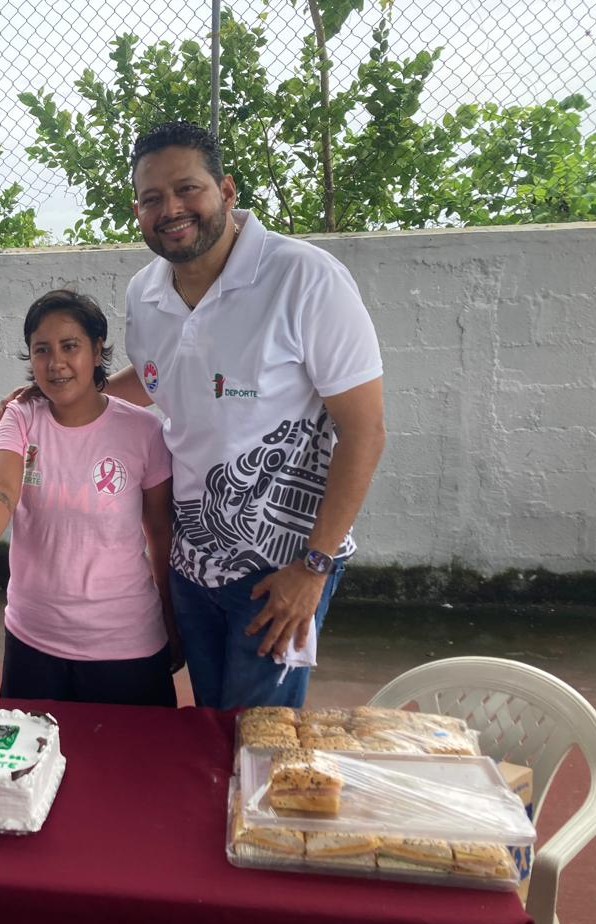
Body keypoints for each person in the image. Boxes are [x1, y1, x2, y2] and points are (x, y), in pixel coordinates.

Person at [104, 120, 386, 709]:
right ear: (138, 211)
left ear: (227, 191)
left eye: (188, 190)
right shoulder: (144, 293)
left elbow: (365, 431)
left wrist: (313, 569)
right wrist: (57, 400)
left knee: (259, 742)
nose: (171, 209)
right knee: (211, 725)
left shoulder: (304, 278)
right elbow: (157, 378)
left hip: (283, 567)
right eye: (153, 198)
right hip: (192, 557)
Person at [0, 290, 179, 707]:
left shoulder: (143, 431)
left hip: (126, 645)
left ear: (96, 349)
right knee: (28, 766)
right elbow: (1, 485)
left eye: (70, 346)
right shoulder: (22, 416)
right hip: (34, 640)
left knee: (126, 768)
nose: (56, 363)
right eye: (42, 350)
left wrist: (172, 616)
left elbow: (161, 533)